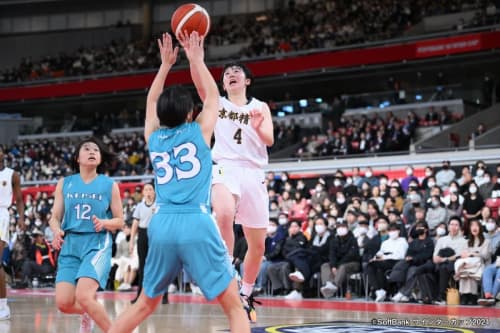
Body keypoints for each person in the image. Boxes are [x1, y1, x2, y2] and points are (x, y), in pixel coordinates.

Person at [108, 32, 250, 333]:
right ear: (189, 113)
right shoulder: (199, 131)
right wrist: (196, 59)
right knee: (235, 308)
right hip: (195, 222)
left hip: (160, 224)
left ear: (161, 115)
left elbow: (151, 101)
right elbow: (213, 97)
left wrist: (164, 66)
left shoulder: (154, 137)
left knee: (145, 304)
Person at [200, 56, 273, 321]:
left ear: (247, 80)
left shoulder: (260, 106)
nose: (231, 73)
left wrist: (257, 127)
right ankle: (227, 271)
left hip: (253, 172)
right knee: (223, 214)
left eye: (237, 71)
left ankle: (246, 292)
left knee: (258, 246)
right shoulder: (217, 103)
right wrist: (195, 57)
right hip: (224, 167)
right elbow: (200, 83)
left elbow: (270, 139)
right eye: (227, 72)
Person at [48, 137, 124, 332]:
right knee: (63, 303)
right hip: (70, 245)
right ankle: (87, 312)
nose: (92, 152)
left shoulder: (109, 185)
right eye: (87, 149)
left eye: (96, 150)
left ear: (100, 158)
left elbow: (120, 221)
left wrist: (104, 222)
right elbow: (55, 217)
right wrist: (56, 231)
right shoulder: (65, 183)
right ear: (77, 158)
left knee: (84, 295)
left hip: (96, 244)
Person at [129, 183, 168, 304]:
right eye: (146, 189)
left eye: (150, 189)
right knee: (142, 266)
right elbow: (135, 224)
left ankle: (164, 295)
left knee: (159, 265)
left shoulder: (159, 206)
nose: (148, 191)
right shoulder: (139, 206)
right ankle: (140, 294)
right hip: (142, 235)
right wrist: (131, 241)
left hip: (156, 235)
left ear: (154, 192)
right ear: (143, 193)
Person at [0, 148, 25, 320]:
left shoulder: (12, 175)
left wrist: (21, 218)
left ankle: (3, 306)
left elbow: (19, 199)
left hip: (1, 214)